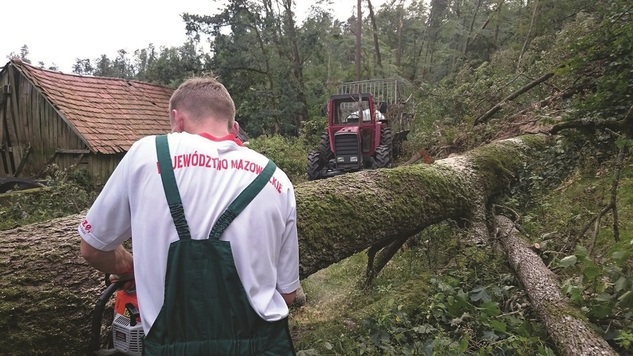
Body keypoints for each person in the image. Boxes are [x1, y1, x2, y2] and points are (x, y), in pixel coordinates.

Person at [78, 77, 300, 355]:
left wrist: (132, 267)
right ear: (235, 128)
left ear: (177, 120)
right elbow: (288, 294)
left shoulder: (146, 155)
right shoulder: (276, 180)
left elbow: (92, 247)